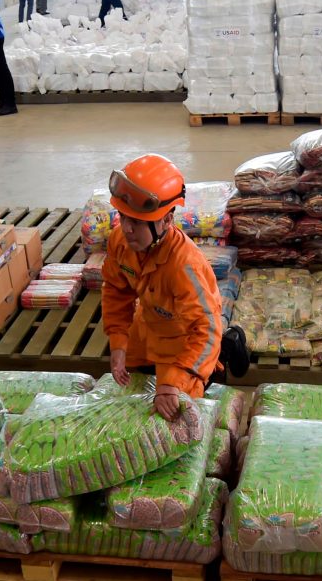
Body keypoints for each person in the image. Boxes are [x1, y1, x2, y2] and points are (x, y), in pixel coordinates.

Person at [102, 154, 248, 420]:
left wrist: (172, 383)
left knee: (175, 411)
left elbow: (205, 328)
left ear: (167, 221)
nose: (127, 229)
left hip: (186, 335)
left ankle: (225, 347)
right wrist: (118, 342)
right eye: (123, 217)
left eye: (137, 222)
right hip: (150, 320)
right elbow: (116, 291)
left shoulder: (185, 266)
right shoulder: (120, 241)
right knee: (130, 384)